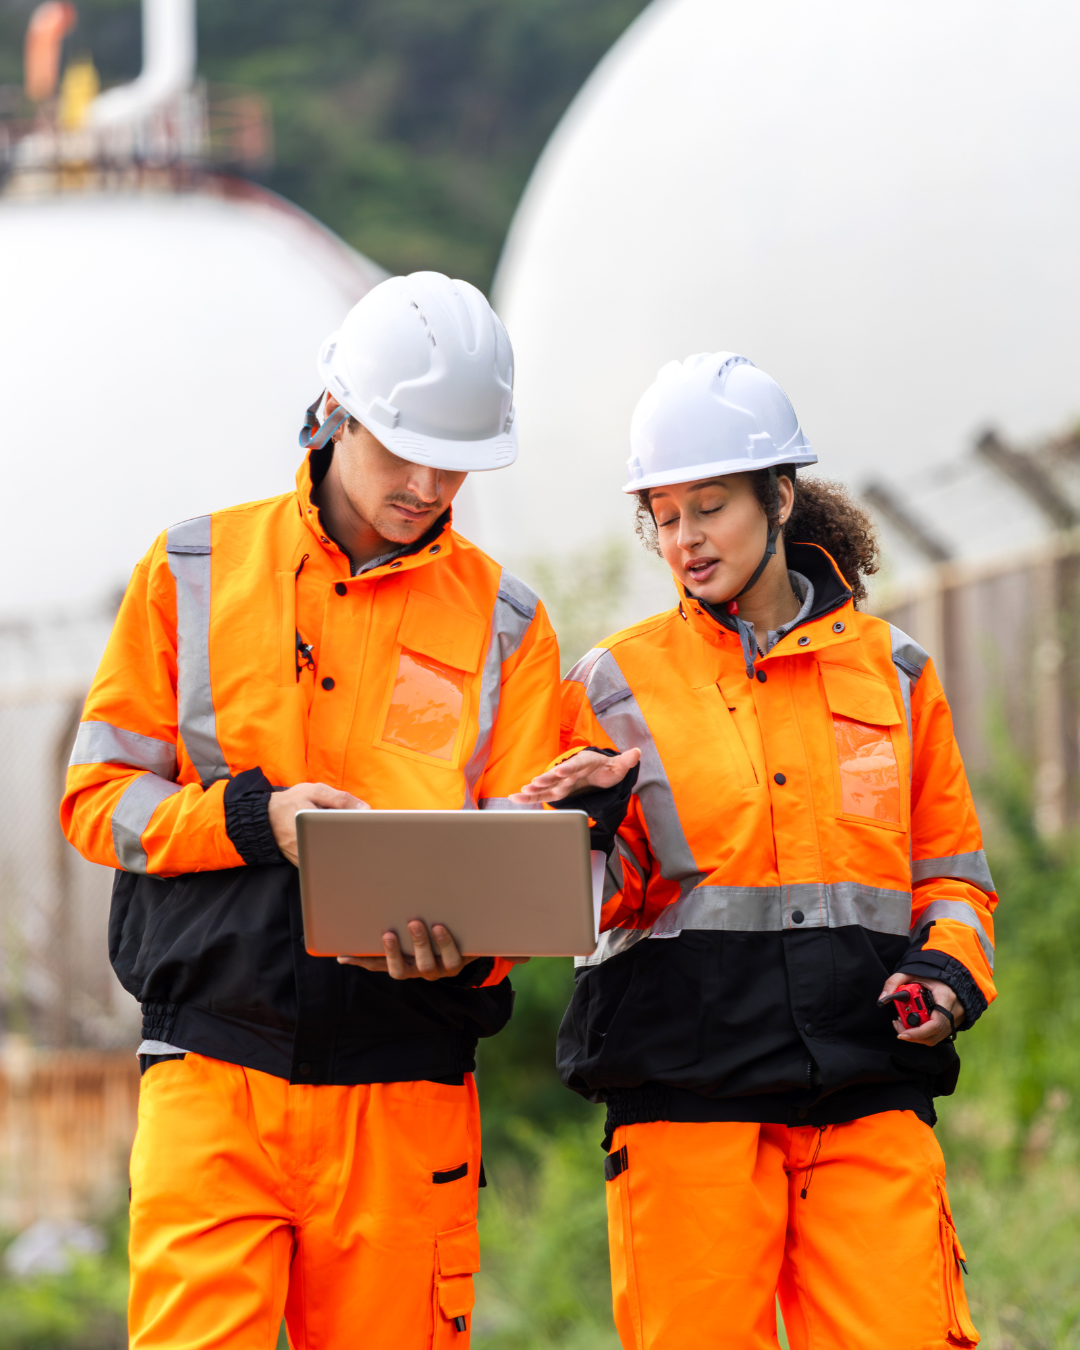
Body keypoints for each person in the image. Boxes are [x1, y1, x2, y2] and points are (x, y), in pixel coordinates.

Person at [62, 272, 561, 1350]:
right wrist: (257, 819)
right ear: (335, 413)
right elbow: (100, 801)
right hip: (215, 1075)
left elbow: (531, 862)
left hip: (405, 1091)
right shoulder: (192, 571)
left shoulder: (509, 625)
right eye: (402, 449)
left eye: (455, 460)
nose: (428, 484)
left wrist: (470, 956)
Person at [513, 353, 992, 1350]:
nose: (684, 540)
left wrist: (945, 974)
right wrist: (590, 828)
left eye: (710, 508)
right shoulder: (612, 688)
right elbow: (584, 907)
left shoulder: (897, 677)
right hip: (689, 1108)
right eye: (665, 516)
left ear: (780, 498)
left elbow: (950, 874)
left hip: (865, 1093)